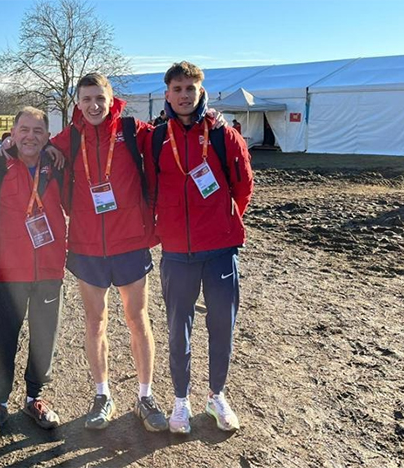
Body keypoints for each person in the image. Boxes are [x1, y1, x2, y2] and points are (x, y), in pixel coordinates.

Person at [49, 73, 169, 432]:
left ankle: (145, 396)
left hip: (130, 242)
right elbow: (35, 145)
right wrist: (10, 143)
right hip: (87, 246)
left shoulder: (133, 131)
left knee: (137, 319)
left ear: (111, 98)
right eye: (86, 99)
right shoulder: (69, 137)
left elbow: (174, 137)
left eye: (99, 98)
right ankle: (102, 395)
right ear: (78, 103)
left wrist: (213, 119)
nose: (93, 106)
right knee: (95, 321)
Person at [144, 62, 253, 434]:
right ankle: (180, 400)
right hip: (176, 251)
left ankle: (217, 395)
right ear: (167, 94)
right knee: (179, 328)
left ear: (200, 91)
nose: (184, 95)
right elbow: (147, 186)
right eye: (177, 89)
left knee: (222, 324)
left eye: (190, 88)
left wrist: (222, 221)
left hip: (220, 249)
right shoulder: (156, 138)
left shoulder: (224, 134)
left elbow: (243, 186)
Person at [0, 107, 66, 438]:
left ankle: (34, 398)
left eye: (38, 131)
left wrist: (56, 147)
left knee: (44, 338)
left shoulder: (57, 164)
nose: (31, 136)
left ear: (47, 136)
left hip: (49, 266)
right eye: (24, 130)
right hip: (10, 267)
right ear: (12, 133)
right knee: (4, 338)